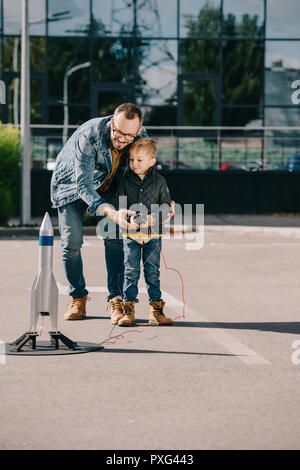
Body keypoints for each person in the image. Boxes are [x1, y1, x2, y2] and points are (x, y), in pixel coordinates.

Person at [50, 103, 147, 323]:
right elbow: (83, 186)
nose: (122, 140)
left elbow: (144, 173)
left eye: (128, 136)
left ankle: (116, 299)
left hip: (110, 186)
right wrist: (112, 213)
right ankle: (77, 297)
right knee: (71, 243)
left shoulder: (140, 137)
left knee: (114, 240)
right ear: (112, 122)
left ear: (138, 131)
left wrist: (161, 199)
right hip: (71, 187)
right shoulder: (90, 135)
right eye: (118, 133)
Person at [114, 137, 174, 326]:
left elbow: (166, 206)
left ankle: (156, 311)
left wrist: (154, 217)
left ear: (152, 162)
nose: (134, 164)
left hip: (153, 235)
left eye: (139, 160)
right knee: (130, 272)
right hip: (131, 235)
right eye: (131, 159)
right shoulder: (125, 180)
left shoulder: (159, 181)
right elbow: (119, 205)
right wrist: (128, 218)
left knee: (153, 272)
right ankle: (128, 311)